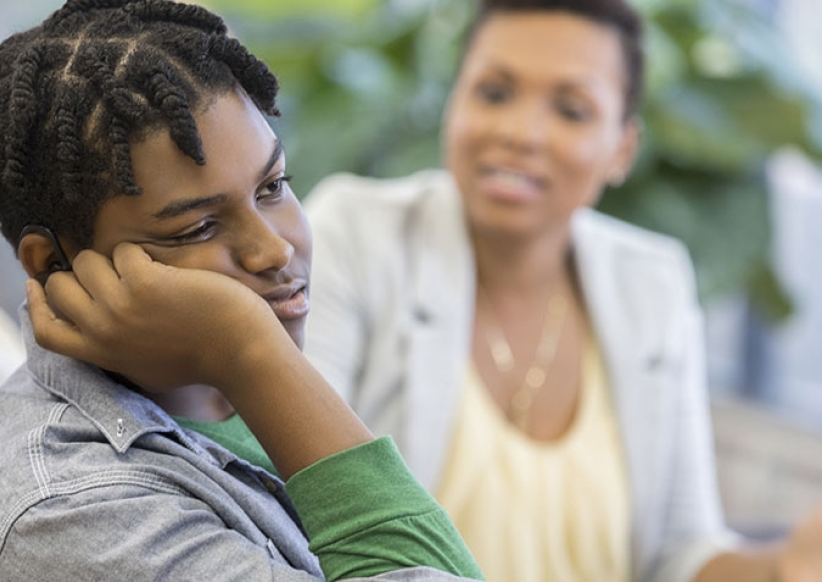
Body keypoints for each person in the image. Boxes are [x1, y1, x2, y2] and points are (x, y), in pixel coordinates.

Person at [0, 1, 485, 580]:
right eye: (196, 227)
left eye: (274, 186)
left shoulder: (229, 387)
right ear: (53, 264)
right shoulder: (77, 515)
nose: (273, 250)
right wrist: (246, 350)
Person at [301, 0, 822, 581]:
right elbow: (300, 501)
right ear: (454, 105)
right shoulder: (356, 234)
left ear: (622, 148)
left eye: (571, 110)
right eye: (494, 93)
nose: (521, 132)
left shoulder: (652, 283)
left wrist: (784, 565)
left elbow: (680, 555)